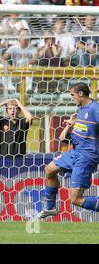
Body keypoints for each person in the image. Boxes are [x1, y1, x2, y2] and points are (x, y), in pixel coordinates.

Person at [39, 83, 99, 219]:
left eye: (73, 95)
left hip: (86, 156)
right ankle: (51, 208)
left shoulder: (95, 108)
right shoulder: (82, 109)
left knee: (75, 199)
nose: (71, 98)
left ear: (81, 94)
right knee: (49, 170)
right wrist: (75, 122)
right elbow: (86, 122)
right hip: (75, 152)